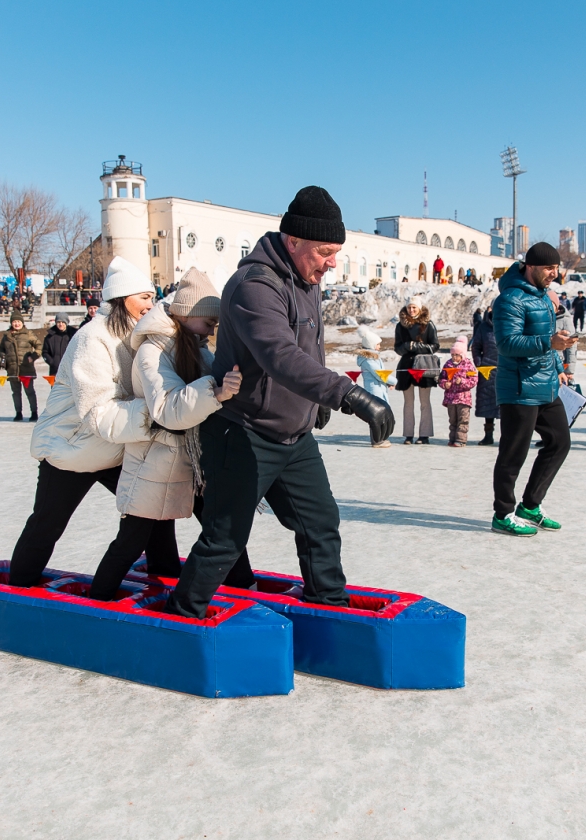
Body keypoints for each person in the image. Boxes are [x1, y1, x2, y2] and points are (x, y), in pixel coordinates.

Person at [165, 186, 393, 619]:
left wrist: (315, 401)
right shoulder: (254, 286)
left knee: (320, 523)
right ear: (293, 241)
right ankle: (183, 612)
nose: (332, 264)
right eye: (325, 252)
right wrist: (347, 394)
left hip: (294, 435)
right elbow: (279, 355)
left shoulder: (306, 279)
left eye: (337, 253)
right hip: (243, 430)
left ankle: (329, 606)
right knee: (225, 537)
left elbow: (309, 346)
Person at [93, 268, 255, 600]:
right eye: (209, 322)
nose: (212, 330)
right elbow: (167, 409)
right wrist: (216, 390)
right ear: (187, 314)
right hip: (156, 461)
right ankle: (98, 600)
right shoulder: (153, 351)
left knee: (222, 528)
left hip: (193, 460)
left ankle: (246, 588)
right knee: (131, 540)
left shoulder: (195, 345)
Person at [12, 256, 156, 587]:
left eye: (152, 296)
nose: (152, 304)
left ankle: (161, 576)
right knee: (48, 524)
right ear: (122, 299)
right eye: (144, 297)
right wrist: (157, 416)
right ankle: (18, 587)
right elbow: (98, 411)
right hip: (72, 449)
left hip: (114, 447)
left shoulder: (139, 335)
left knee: (152, 510)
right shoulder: (93, 338)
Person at [491, 242, 577, 536]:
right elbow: (507, 344)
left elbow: (547, 337)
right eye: (548, 268)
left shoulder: (542, 297)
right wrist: (549, 344)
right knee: (513, 453)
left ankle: (530, 506)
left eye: (556, 268)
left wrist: (558, 365)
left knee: (559, 442)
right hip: (519, 388)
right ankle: (503, 513)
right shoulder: (510, 300)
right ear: (530, 267)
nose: (554, 274)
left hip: (547, 384)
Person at [394, 293, 439, 444]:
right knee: (408, 403)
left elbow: (435, 345)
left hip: (424, 366)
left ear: (419, 308)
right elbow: (397, 348)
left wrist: (419, 347)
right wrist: (406, 346)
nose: (411, 310)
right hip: (406, 366)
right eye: (409, 307)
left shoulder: (428, 324)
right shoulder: (400, 326)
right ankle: (408, 434)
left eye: (414, 307)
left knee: (424, 402)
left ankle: (424, 435)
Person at [355, 326, 393, 448]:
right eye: (377, 344)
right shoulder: (368, 360)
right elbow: (380, 374)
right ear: (371, 345)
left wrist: (388, 382)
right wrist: (394, 380)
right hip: (374, 390)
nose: (379, 347)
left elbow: (381, 374)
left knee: (381, 414)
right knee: (376, 414)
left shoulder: (373, 357)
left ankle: (380, 437)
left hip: (379, 388)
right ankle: (377, 440)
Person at [0, 314, 41, 422]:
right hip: (12, 369)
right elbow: (1, 349)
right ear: (11, 323)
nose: (16, 324)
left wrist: (33, 356)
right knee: (16, 393)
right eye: (14, 322)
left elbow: (39, 346)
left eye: (19, 321)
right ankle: (18, 413)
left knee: (30, 392)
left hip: (26, 368)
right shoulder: (7, 335)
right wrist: (3, 358)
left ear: (22, 323)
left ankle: (34, 413)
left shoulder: (28, 334)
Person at [470, 302, 499, 445]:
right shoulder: (483, 327)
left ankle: (508, 437)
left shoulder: (511, 324)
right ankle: (488, 435)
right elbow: (476, 346)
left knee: (507, 406)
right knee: (488, 404)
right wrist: (479, 362)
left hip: (507, 370)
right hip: (487, 370)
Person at [439, 335, 476, 447]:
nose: (454, 357)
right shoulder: (448, 364)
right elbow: (441, 378)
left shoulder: (468, 365)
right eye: (453, 355)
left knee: (463, 420)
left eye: (457, 355)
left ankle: (460, 440)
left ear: (462, 355)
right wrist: (445, 384)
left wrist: (462, 382)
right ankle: (452, 438)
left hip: (464, 399)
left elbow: (474, 380)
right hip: (451, 398)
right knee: (453, 420)